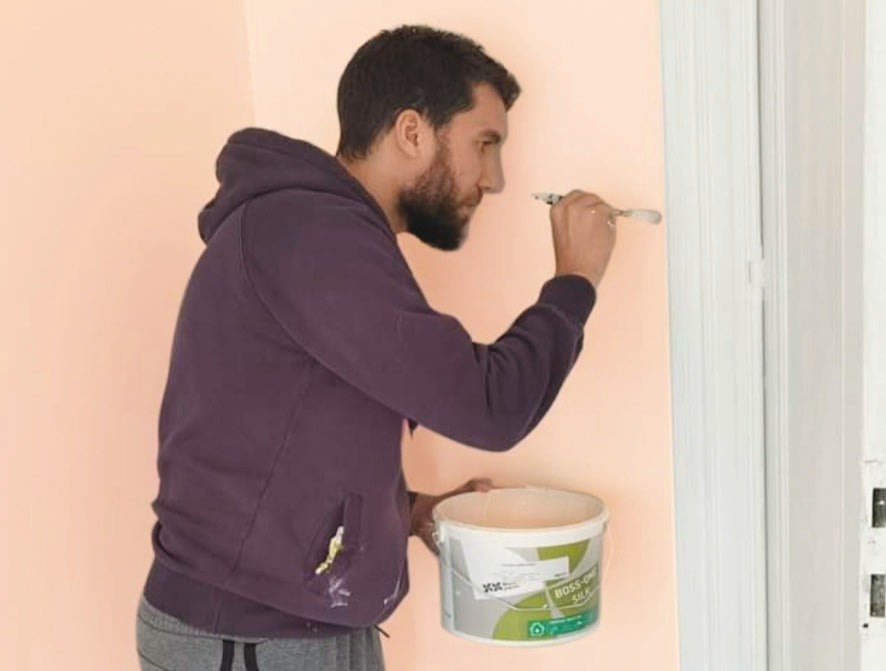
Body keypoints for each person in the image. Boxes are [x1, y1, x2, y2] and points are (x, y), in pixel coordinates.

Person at [136, 24, 616, 671]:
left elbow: (295, 425)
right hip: (255, 637)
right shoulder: (312, 236)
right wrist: (574, 281)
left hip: (283, 626)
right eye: (485, 143)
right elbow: (490, 404)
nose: (496, 178)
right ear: (412, 131)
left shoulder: (321, 234)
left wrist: (408, 510)